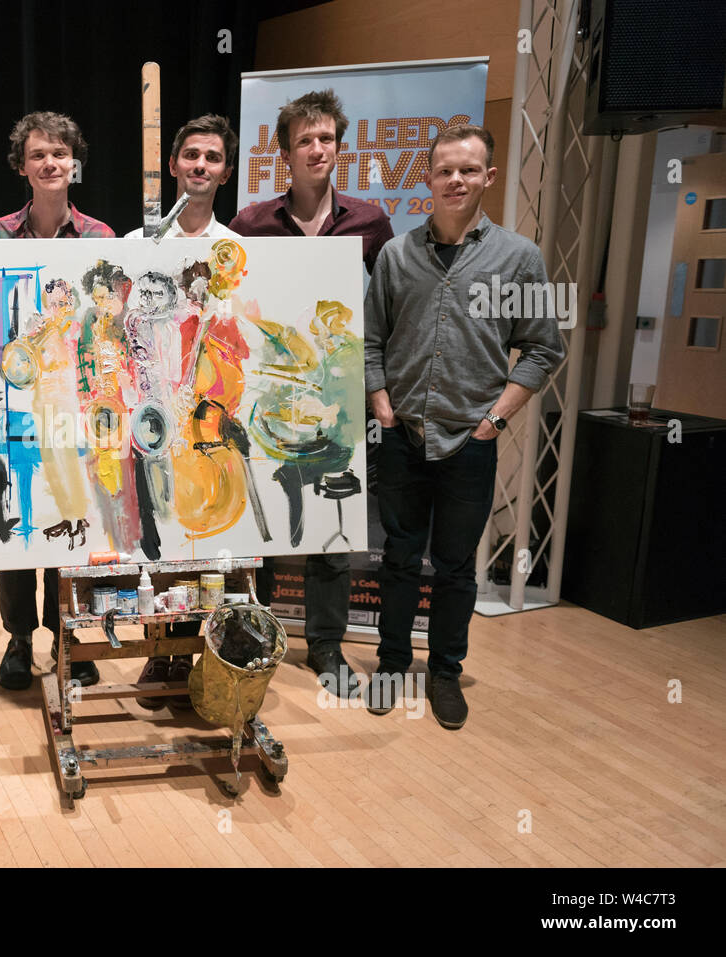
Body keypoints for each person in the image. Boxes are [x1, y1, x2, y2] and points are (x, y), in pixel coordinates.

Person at [363, 124, 564, 730]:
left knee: (454, 566)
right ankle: (393, 663)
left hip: (469, 442)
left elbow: (543, 349)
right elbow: (371, 339)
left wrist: (494, 419)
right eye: (445, 170)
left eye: (468, 171)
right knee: (398, 558)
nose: (456, 180)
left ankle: (445, 673)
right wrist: (379, 399)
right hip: (401, 435)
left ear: (489, 178)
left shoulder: (520, 258)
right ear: (428, 178)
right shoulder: (397, 254)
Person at [229, 89, 394, 700]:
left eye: (326, 139)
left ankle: (325, 645)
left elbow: (383, 309)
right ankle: (260, 633)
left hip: (339, 401)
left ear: (338, 148)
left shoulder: (370, 222)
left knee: (333, 525)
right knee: (267, 521)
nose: (317, 149)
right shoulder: (250, 224)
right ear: (285, 153)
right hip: (269, 395)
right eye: (305, 140)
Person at [0, 110, 114, 691]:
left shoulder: (100, 238)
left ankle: (70, 639)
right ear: (22, 167)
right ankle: (17, 640)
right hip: (16, 401)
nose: (50, 163)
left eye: (60, 153)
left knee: (73, 519)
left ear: (74, 163)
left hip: (78, 404)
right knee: (18, 525)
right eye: (38, 154)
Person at [124, 114, 240, 707]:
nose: (199, 166)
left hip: (206, 419)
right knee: (157, 535)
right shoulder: (136, 246)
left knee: (207, 534)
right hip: (148, 416)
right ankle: (159, 651)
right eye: (190, 155)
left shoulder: (235, 251)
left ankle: (204, 655)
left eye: (212, 157)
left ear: (225, 170)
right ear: (172, 165)